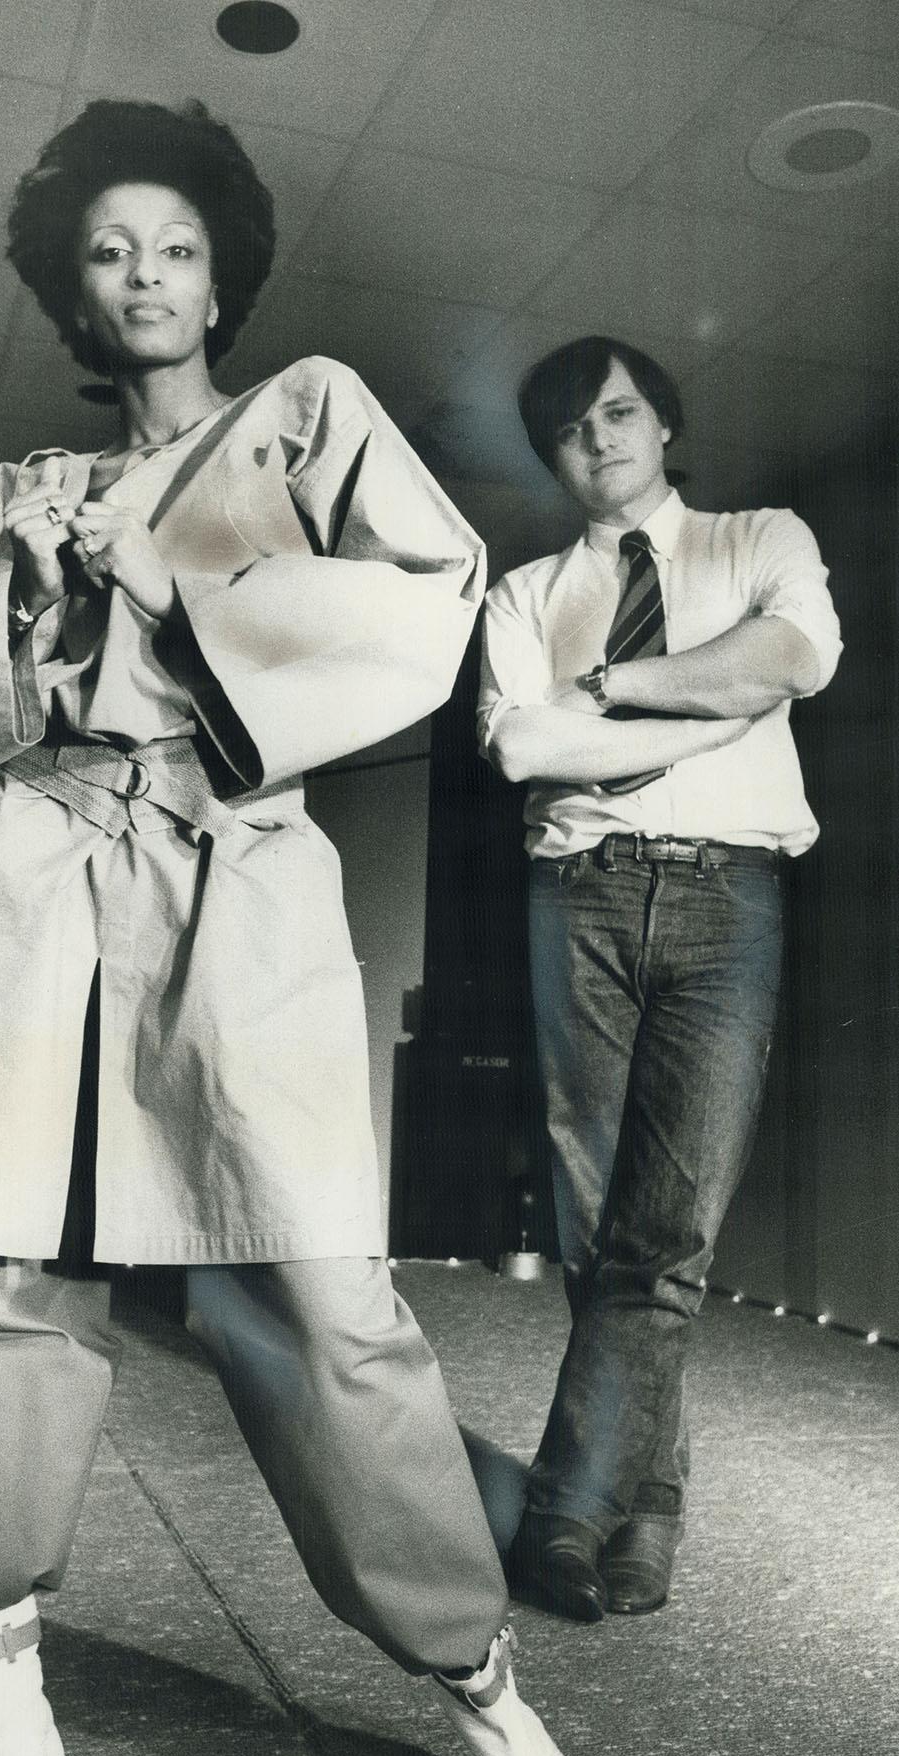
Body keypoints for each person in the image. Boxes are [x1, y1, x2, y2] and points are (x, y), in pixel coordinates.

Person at [0, 103, 623, 1756]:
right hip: (24, 884)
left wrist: (167, 586)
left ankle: (479, 1687)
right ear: (72, 284)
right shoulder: (10, 490)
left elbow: (435, 607)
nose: (144, 277)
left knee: (321, 1304)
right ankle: (3, 1677)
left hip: (227, 873)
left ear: (221, 275)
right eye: (108, 250)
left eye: (176, 247)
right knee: (4, 1285)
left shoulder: (311, 414)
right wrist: (12, 584)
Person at [479, 335, 840, 1624]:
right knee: (601, 1228)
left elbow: (793, 660)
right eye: (571, 429)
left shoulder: (761, 540)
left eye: (621, 412)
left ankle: (573, 1509)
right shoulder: (522, 595)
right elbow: (526, 745)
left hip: (727, 899)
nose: (601, 440)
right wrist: (714, 707)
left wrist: (622, 687)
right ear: (552, 455)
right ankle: (658, 1503)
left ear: (663, 423)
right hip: (575, 896)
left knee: (666, 1230)